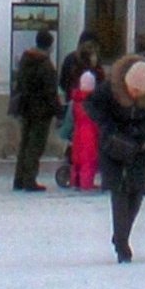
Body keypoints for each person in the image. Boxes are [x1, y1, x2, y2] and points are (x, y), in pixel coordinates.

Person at [96, 52, 145, 263]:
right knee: (119, 193)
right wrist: (111, 128)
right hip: (114, 147)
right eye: (132, 89)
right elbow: (93, 107)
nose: (135, 94)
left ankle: (121, 236)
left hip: (140, 149)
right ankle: (122, 245)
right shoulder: (110, 89)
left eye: (139, 92)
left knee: (136, 194)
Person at [9, 28, 61, 192]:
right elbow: (50, 92)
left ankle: (19, 179)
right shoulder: (45, 65)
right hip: (41, 111)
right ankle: (29, 179)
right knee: (35, 146)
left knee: (24, 143)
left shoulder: (25, 60)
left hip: (25, 107)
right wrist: (59, 111)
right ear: (50, 46)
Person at [62, 36, 102, 191]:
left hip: (78, 131)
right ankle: (86, 183)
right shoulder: (92, 101)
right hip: (89, 133)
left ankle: (75, 180)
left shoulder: (76, 99)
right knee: (88, 158)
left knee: (77, 158)